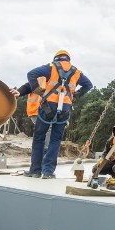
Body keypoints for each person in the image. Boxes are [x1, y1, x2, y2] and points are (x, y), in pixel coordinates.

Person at [10, 49, 92, 179]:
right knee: (55, 140)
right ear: (68, 59)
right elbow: (88, 85)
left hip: (48, 108)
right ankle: (48, 172)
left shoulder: (51, 67)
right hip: (64, 109)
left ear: (56, 58)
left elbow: (31, 74)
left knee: (39, 138)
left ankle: (35, 171)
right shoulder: (76, 72)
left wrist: (38, 90)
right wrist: (75, 96)